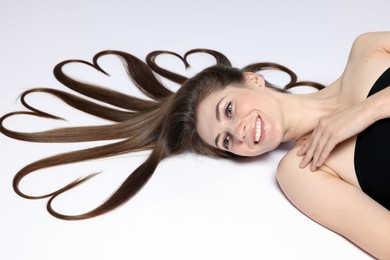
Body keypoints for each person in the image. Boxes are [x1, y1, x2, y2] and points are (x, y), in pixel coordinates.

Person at [1, 32, 389, 258]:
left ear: (252, 80)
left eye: (229, 109)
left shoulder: (368, 50)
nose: (238, 132)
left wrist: (366, 110)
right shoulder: (305, 171)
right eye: (225, 140)